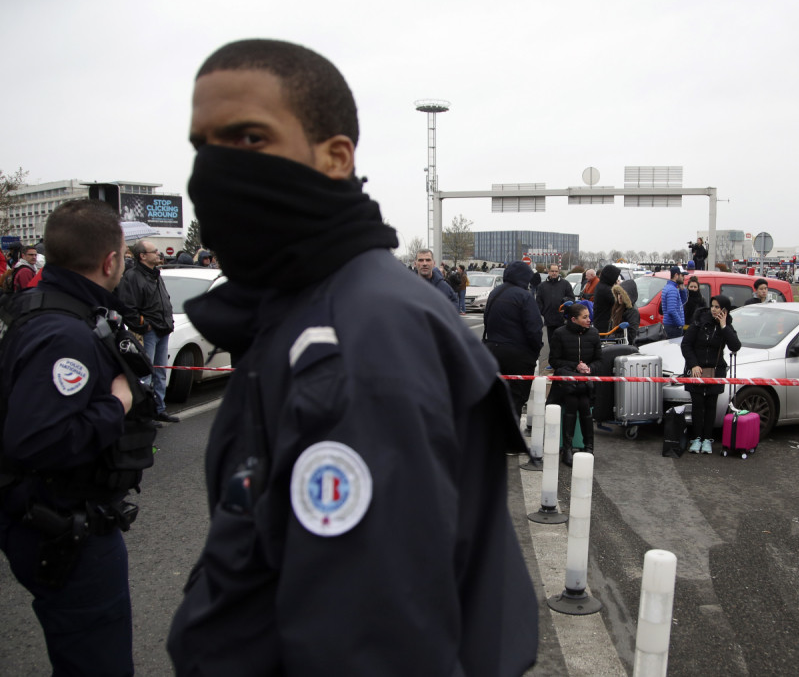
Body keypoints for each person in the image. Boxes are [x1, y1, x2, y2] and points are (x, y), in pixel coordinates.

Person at [167, 38, 537, 675]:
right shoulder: (309, 307)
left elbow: (373, 649)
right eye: (204, 146)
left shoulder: (357, 341)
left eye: (249, 139)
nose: (215, 170)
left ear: (336, 157)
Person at [0, 199, 157, 676]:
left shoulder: (55, 311)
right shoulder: (65, 334)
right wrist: (117, 404)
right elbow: (38, 440)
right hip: (63, 525)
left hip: (58, 518)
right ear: (111, 261)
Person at [116, 239, 179, 423]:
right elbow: (128, 307)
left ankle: (159, 409)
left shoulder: (155, 274)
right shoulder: (133, 277)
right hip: (148, 332)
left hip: (163, 329)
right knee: (145, 372)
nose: (159, 254)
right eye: (154, 251)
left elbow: (162, 299)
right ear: (142, 256)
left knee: (160, 372)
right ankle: (144, 413)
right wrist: (144, 325)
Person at [482, 261, 543, 419]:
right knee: (516, 399)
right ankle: (509, 440)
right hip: (518, 355)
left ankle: (491, 439)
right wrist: (535, 352)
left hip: (492, 350)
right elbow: (534, 329)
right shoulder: (525, 296)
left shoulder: (495, 292)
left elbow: (487, 320)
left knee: (495, 398)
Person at [681, 295, 741, 455]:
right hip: (696, 370)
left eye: (717, 307)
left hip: (715, 371)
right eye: (712, 306)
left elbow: (735, 346)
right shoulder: (699, 320)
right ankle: (696, 438)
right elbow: (686, 344)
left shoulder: (726, 325)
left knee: (710, 406)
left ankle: (707, 439)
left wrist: (723, 326)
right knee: (697, 405)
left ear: (725, 310)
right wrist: (694, 364)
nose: (714, 309)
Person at [548, 302, 602, 466]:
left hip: (585, 382)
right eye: (584, 317)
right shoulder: (559, 333)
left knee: (584, 403)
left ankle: (588, 447)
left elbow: (599, 360)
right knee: (572, 401)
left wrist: (589, 368)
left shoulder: (593, 333)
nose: (589, 320)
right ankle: (569, 448)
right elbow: (554, 361)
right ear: (573, 319)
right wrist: (575, 366)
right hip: (566, 382)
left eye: (589, 316)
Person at [536, 263, 575, 349]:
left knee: (563, 343)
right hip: (549, 320)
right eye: (552, 271)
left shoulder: (565, 284)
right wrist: (544, 312)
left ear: (559, 271)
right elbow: (538, 302)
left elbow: (572, 299)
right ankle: (552, 360)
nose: (554, 273)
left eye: (556, 271)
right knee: (552, 343)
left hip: (562, 319)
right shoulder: (542, 286)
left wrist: (565, 304)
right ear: (548, 271)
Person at [592, 264, 622, 333]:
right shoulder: (606, 289)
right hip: (604, 323)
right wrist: (618, 287)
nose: (616, 279)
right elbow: (618, 302)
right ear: (610, 277)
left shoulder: (601, 285)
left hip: (600, 321)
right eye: (615, 277)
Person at [660, 266, 688, 338]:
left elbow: (682, 303)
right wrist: (680, 324)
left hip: (671, 326)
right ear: (676, 275)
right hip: (673, 327)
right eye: (682, 275)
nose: (683, 278)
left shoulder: (671, 287)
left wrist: (683, 290)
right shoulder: (672, 290)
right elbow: (671, 310)